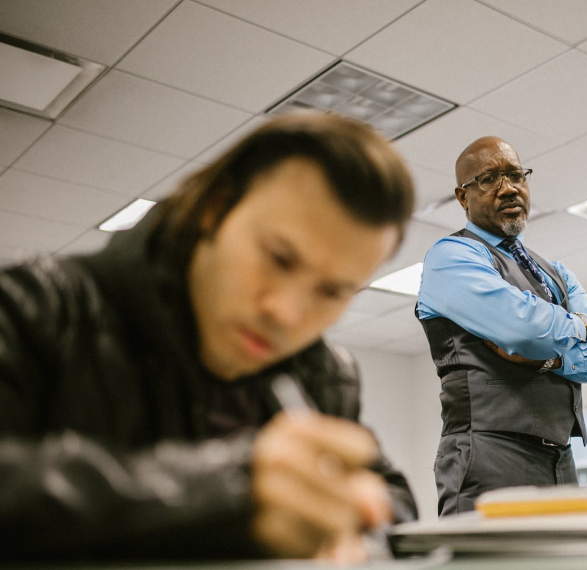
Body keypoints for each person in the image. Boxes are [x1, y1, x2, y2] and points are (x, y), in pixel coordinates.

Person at [0, 113, 418, 560]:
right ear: (215, 208)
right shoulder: (34, 305)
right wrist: (225, 495)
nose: (287, 314)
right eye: (279, 258)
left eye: (332, 291)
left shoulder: (324, 375)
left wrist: (353, 509)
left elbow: (391, 498)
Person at [416, 136, 587, 515]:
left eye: (516, 175)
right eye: (489, 179)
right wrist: (582, 325)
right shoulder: (452, 256)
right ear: (462, 196)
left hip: (560, 460)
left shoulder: (556, 272)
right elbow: (527, 332)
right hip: (488, 455)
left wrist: (555, 361)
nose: (508, 188)